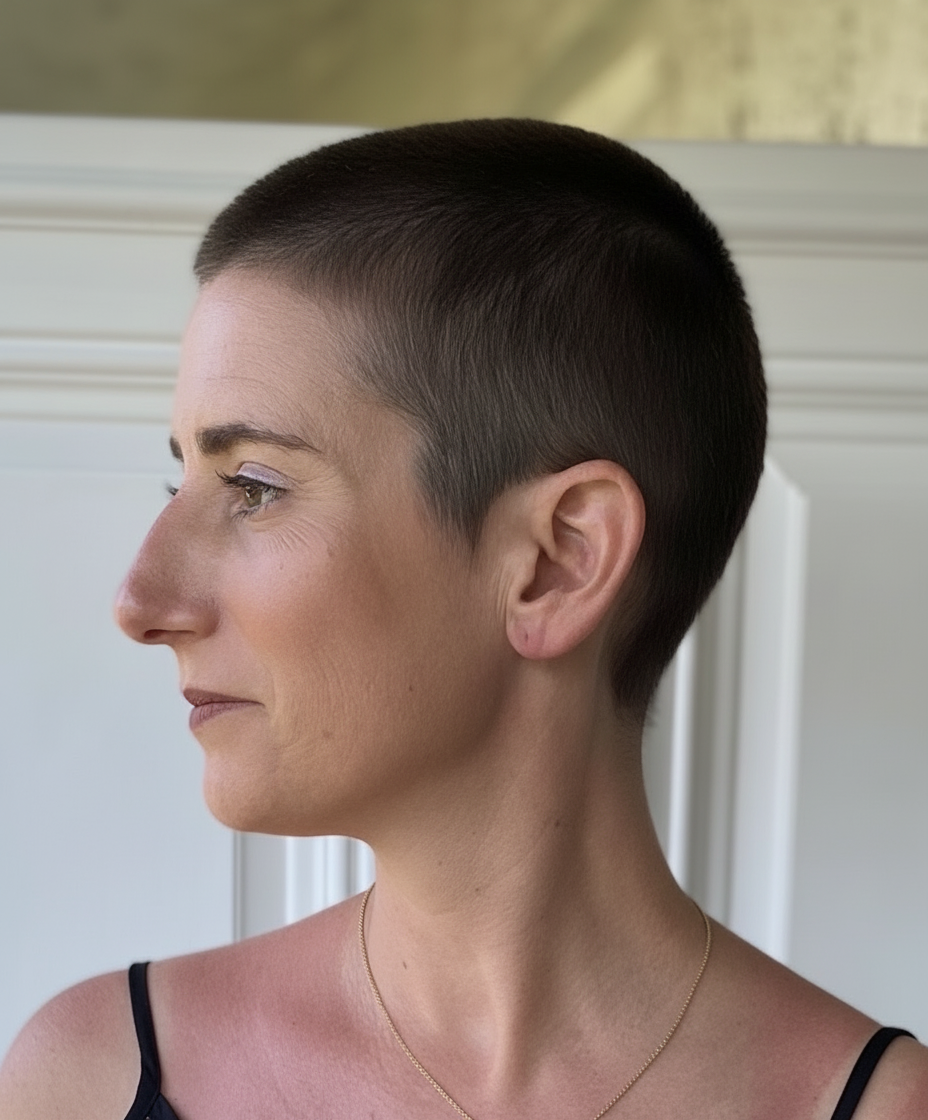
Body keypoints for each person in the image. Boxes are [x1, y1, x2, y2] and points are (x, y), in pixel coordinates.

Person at [1, 118, 925, 1120]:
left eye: (254, 486)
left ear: (557, 559)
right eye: (179, 475)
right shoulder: (87, 1079)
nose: (140, 603)